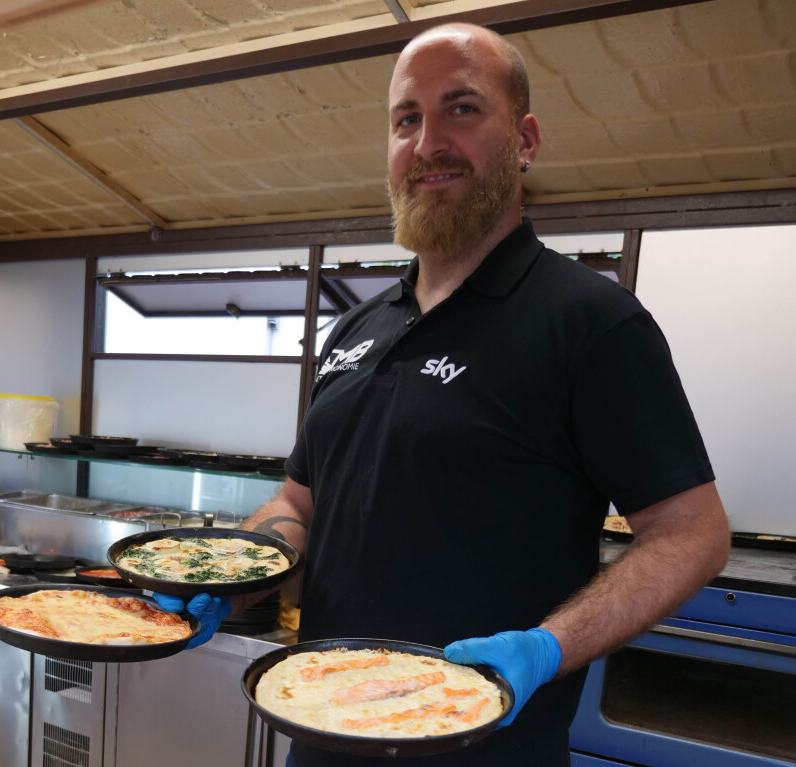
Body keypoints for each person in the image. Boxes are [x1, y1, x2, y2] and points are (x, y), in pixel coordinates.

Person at [156, 21, 731, 767]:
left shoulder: (590, 321)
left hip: (486, 746)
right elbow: (299, 503)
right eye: (407, 119)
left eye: (462, 109)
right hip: (321, 726)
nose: (428, 143)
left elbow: (693, 532)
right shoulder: (355, 329)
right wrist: (242, 571)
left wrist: (545, 647)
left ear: (524, 140)